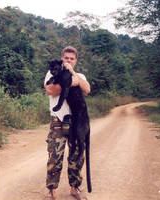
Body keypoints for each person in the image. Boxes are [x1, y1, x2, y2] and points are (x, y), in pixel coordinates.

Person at [44, 46, 91, 200]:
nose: (68, 60)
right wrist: (71, 82)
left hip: (75, 122)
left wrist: (73, 74)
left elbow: (87, 89)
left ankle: (75, 187)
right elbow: (51, 90)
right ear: (62, 58)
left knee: (77, 155)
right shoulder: (53, 71)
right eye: (66, 58)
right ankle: (51, 190)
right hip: (58, 120)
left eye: (71, 58)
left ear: (75, 61)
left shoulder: (79, 74)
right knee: (54, 157)